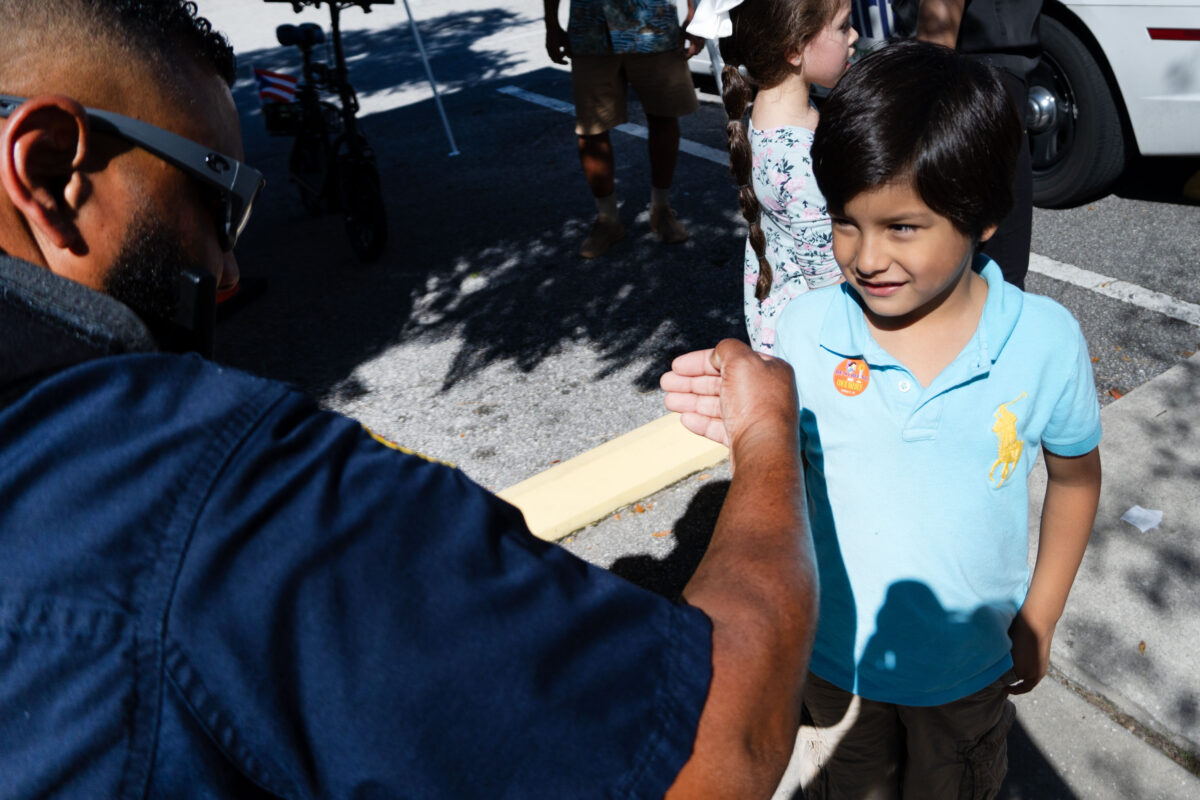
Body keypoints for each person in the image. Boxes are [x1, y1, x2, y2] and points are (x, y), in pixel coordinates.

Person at [0, 2, 820, 797]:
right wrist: (766, 430)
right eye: (217, 201)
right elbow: (712, 744)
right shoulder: (212, 493)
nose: (228, 270)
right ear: (51, 173)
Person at [672, 41, 1102, 798]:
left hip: (970, 668)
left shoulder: (1044, 341)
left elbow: (1075, 480)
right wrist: (751, 432)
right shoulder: (803, 330)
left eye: (903, 227)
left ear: (983, 218)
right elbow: (784, 482)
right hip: (830, 665)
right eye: (846, 221)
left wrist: (1040, 616)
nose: (866, 257)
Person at [697, 0, 856, 353]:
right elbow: (829, 283)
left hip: (782, 316)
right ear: (794, 50)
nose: (854, 35)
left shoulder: (772, 112)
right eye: (843, 26)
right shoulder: (798, 160)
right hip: (818, 342)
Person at [890, 0, 1043, 289]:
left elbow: (940, 18)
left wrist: (924, 102)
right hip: (986, 72)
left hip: (968, 77)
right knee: (995, 262)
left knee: (981, 258)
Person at [544, 0, 705, 258]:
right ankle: (607, 218)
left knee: (664, 117)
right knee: (591, 129)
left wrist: (695, 16)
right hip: (591, 32)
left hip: (655, 27)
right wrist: (551, 24)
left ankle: (661, 209)